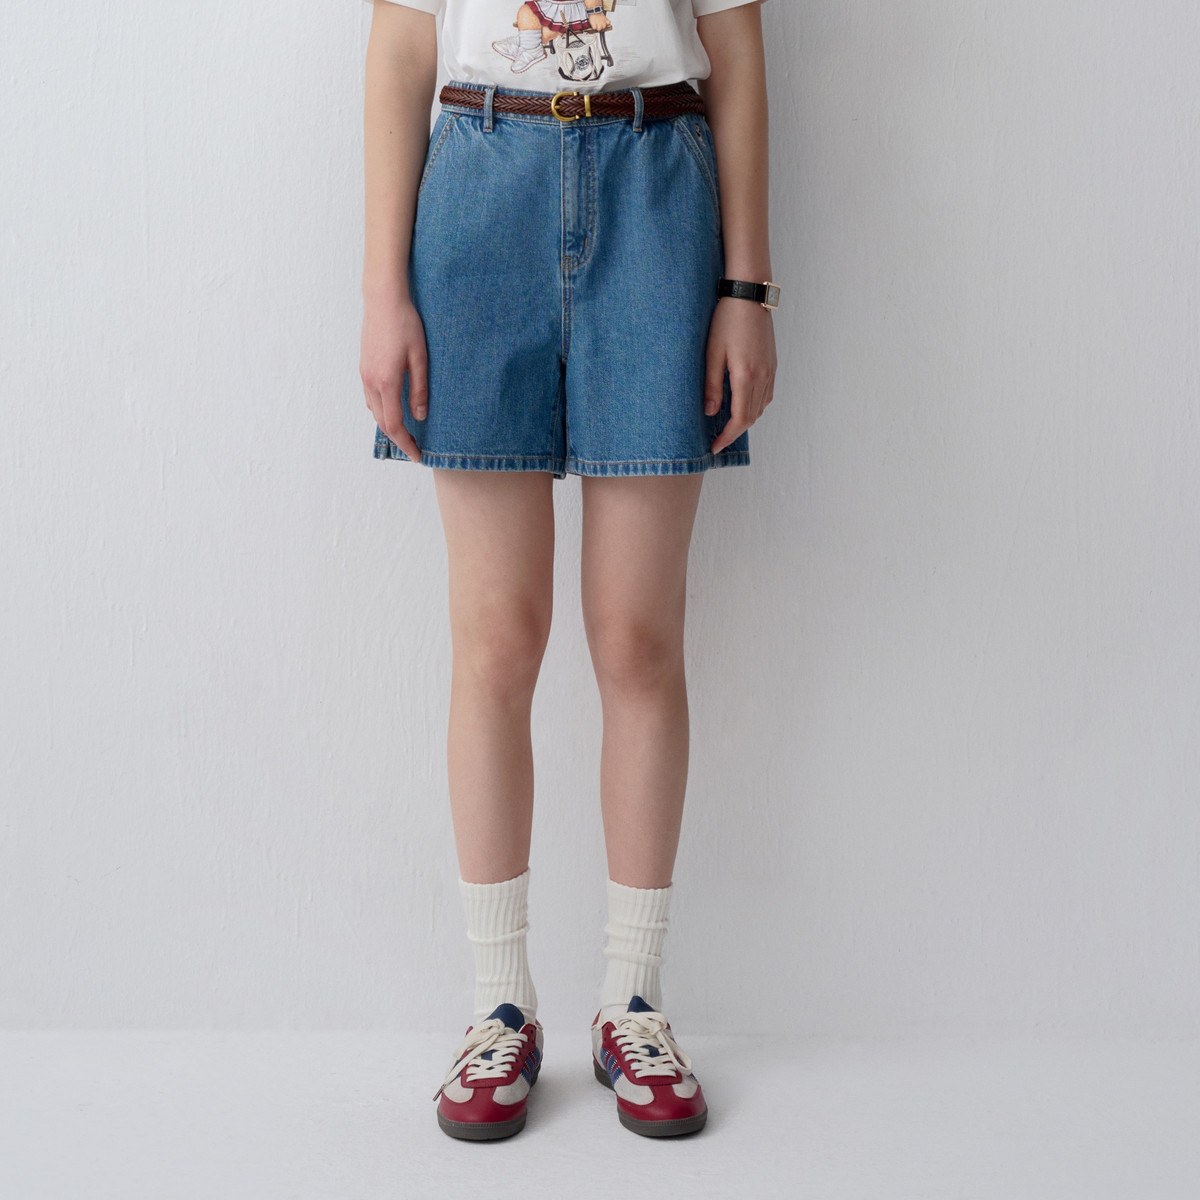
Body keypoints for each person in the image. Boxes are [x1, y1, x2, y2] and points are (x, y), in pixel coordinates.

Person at [358, 0, 777, 1141]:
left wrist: (747, 289)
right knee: (497, 640)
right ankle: (499, 1005)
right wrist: (382, 285)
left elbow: (737, 51)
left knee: (636, 638)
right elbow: (403, 42)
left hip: (655, 188)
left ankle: (633, 1000)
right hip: (478, 184)